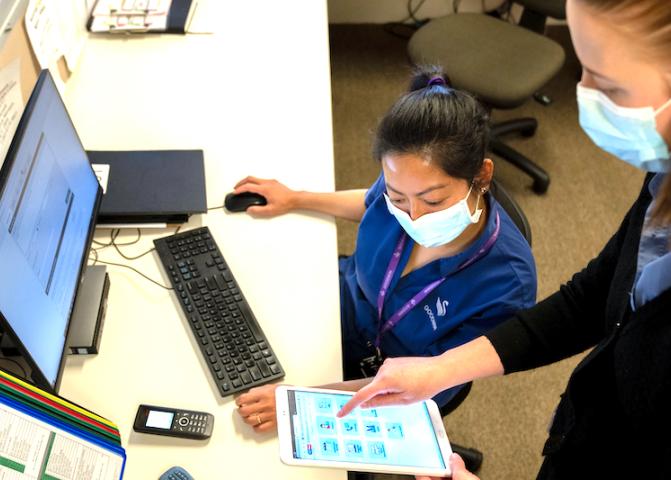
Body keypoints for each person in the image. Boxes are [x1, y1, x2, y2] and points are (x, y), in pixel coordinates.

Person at [338, 0, 671, 478]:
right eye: (583, 70)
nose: (585, 96)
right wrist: (442, 369)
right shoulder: (663, 180)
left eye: (610, 83)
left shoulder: (503, 275)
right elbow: (592, 299)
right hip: (591, 432)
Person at [233, 67, 537, 432]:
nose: (414, 216)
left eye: (434, 200)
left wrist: (300, 401)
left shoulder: (507, 286)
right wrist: (295, 198)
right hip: (345, 309)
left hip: (391, 383)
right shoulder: (405, 177)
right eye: (398, 197)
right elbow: (370, 202)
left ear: (482, 176)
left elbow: (424, 383)